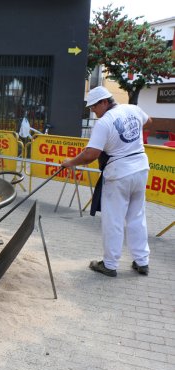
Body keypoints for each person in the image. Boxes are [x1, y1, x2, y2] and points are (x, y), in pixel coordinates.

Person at [61, 86, 151, 277]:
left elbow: (90, 154)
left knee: (114, 220)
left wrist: (70, 163)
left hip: (119, 173)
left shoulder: (105, 122)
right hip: (141, 168)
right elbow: (148, 121)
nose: (93, 111)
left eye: (94, 107)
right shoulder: (132, 109)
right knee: (137, 216)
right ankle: (142, 261)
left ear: (104, 102)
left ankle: (110, 265)